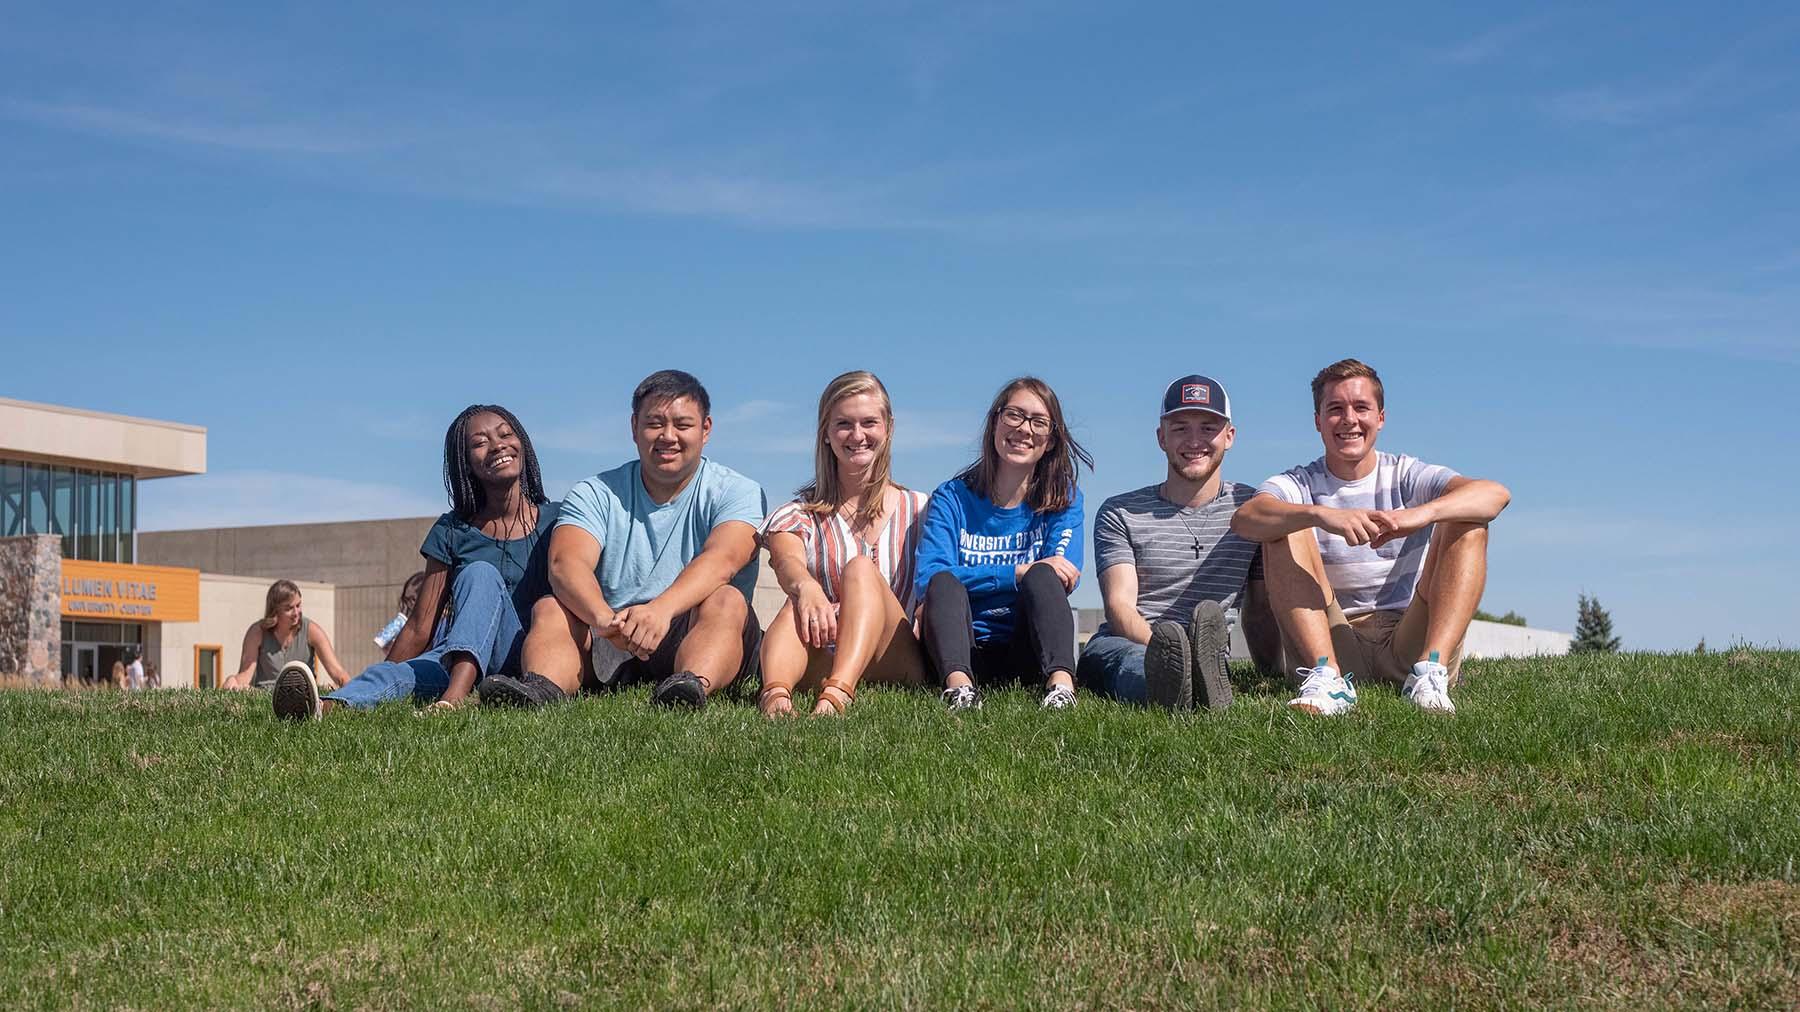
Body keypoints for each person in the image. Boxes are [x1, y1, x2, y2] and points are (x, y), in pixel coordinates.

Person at [1231, 358, 1511, 715]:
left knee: (1467, 518)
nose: (1349, 419)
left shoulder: (1406, 473)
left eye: (1361, 407)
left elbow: (1495, 494)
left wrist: (1419, 514)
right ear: (1318, 421)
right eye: (1335, 409)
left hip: (1407, 636)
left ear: (1380, 417)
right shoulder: (1299, 483)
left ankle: (1430, 672)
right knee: (1284, 524)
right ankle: (1326, 678)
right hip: (1334, 636)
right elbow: (1246, 519)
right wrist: (1322, 515)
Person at [484, 370, 766, 709]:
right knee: (550, 607)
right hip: (611, 631)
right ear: (634, 427)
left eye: (682, 424)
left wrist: (660, 611)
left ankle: (691, 687)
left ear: (706, 429)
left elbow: (723, 560)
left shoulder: (738, 490)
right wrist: (602, 619)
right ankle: (541, 690)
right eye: (654, 423)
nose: (668, 436)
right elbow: (565, 564)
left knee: (727, 600)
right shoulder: (594, 492)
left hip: (691, 625)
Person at [272, 404, 559, 720]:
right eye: (480, 442)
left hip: (524, 660)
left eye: (505, 434)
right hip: (454, 657)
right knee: (395, 673)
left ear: (523, 444)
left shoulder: (558, 521)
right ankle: (319, 709)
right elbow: (421, 626)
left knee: (479, 573)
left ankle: (452, 700)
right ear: (465, 463)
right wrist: (389, 672)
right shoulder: (452, 530)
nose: (497, 445)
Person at [1076, 374, 1278, 711]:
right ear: (1161, 438)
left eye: (1208, 427)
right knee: (1130, 663)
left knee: (1193, 662)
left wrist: (1270, 670)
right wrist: (1168, 652)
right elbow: (1120, 607)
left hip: (1207, 650)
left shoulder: (1250, 510)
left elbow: (1258, 610)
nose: (1194, 440)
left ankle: (1195, 681)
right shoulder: (1120, 511)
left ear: (1229, 437)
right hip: (1127, 644)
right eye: (1181, 427)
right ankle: (1179, 682)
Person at [915, 376, 1091, 711]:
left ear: (1051, 440)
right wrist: (1015, 573)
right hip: (964, 645)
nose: (1024, 429)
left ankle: (1062, 688)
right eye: (1014, 415)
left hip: (1025, 645)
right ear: (996, 421)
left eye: (1038, 422)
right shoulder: (952, 497)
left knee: (1043, 576)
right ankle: (960, 692)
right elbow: (929, 576)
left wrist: (1027, 575)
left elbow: (1063, 574)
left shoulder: (1063, 498)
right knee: (944, 582)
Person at [758, 371, 928, 718]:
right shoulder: (798, 512)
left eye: (869, 422)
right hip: (823, 647)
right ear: (826, 433)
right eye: (844, 424)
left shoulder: (921, 509)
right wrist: (805, 587)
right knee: (796, 603)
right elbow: (786, 560)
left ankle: (837, 695)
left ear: (888, 427)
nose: (857, 435)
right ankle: (775, 696)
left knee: (861, 569)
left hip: (893, 654)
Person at [225, 580, 350, 692]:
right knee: (234, 685)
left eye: (298, 605)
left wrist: (351, 688)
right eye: (289, 608)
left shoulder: (312, 630)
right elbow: (245, 675)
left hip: (302, 695)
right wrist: (233, 681)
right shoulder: (257, 632)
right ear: (275, 610)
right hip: (265, 695)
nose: (296, 613)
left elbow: (338, 673)